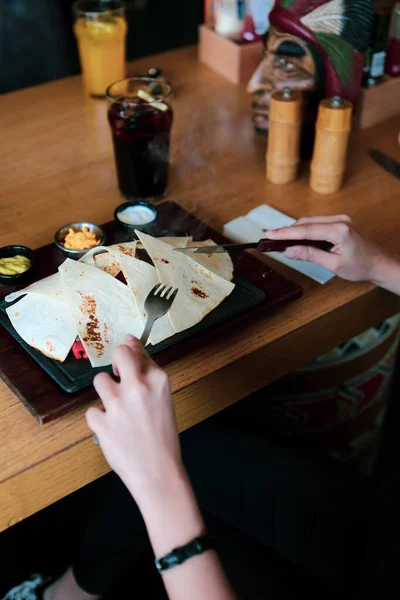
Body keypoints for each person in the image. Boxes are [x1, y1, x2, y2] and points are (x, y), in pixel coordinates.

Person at [3, 215, 400, 600]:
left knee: (161, 459)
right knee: (189, 444)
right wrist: (384, 268)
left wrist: (159, 481)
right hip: (375, 528)